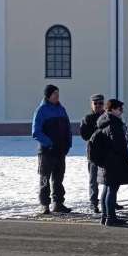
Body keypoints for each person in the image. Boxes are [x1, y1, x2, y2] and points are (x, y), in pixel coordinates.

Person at [32, 84, 73, 214]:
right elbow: (36, 132)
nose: (57, 96)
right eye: (54, 94)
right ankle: (45, 204)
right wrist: (49, 143)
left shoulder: (61, 109)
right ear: (48, 95)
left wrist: (68, 144)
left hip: (60, 151)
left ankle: (58, 203)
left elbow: (68, 129)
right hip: (46, 152)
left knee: (58, 179)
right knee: (45, 178)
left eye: (58, 93)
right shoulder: (41, 110)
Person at [93, 99, 128, 226]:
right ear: (112, 109)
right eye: (120, 109)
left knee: (107, 188)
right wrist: (125, 157)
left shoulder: (104, 121)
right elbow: (118, 145)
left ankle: (105, 216)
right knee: (112, 189)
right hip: (113, 162)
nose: (121, 111)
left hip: (105, 161)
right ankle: (111, 217)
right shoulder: (113, 124)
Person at [79, 94, 105, 214]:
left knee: (109, 178)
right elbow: (84, 135)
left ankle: (109, 201)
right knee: (93, 179)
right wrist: (96, 131)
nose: (98, 106)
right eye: (96, 104)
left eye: (100, 103)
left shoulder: (107, 116)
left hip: (106, 153)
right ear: (92, 105)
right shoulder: (88, 118)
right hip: (93, 153)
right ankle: (93, 202)